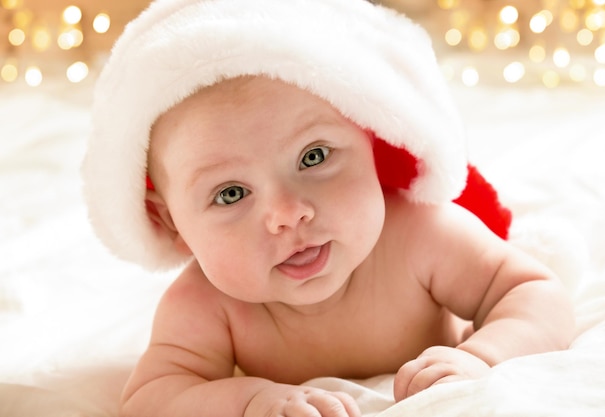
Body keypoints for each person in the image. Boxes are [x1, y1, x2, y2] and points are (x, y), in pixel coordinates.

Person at [81, 1, 575, 416]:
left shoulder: (423, 237)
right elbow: (152, 400)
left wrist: (483, 356)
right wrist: (250, 400)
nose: (287, 213)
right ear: (173, 226)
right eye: (230, 193)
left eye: (313, 157)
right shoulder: (206, 305)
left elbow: (535, 292)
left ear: (372, 137)